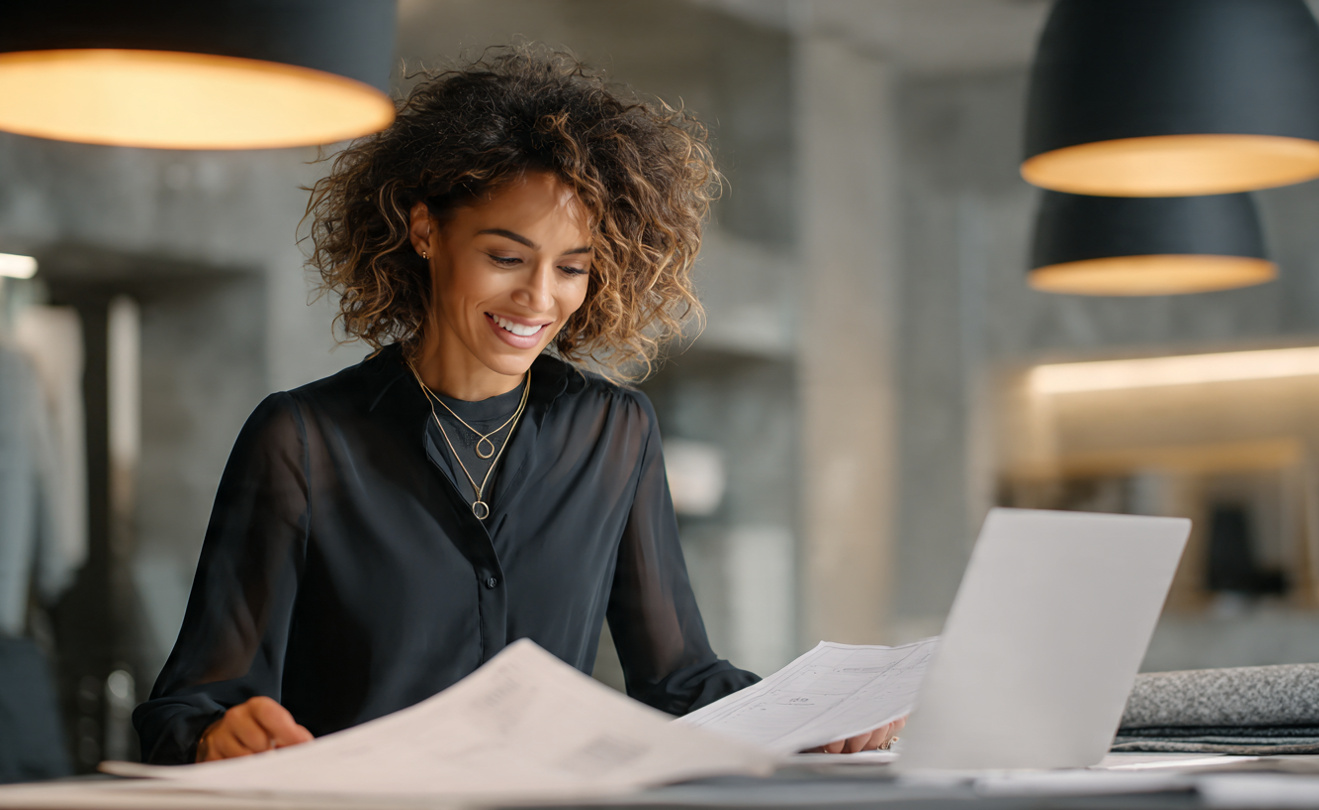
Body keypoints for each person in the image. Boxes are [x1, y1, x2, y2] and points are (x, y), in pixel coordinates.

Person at [133, 46, 902, 765]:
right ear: (425, 231)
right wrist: (218, 734)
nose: (539, 299)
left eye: (572, 268)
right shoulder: (302, 439)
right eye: (506, 257)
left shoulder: (614, 433)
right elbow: (187, 704)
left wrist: (818, 723)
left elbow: (679, 680)